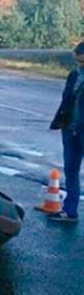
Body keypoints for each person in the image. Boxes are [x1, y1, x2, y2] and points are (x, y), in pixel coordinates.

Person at [48, 41, 84, 222]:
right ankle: (70, 211)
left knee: (72, 170)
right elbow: (67, 102)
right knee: (71, 171)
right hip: (70, 130)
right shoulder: (73, 75)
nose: (79, 63)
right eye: (77, 60)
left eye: (81, 60)